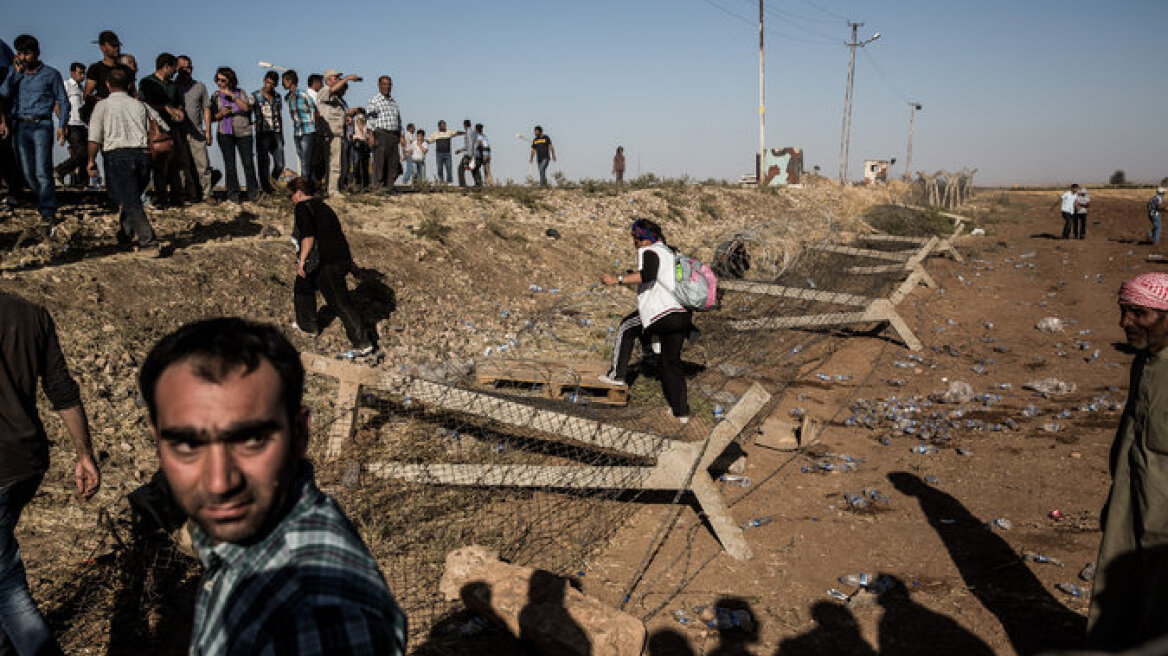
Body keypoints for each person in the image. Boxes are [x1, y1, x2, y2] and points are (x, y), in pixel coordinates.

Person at [138, 317, 405, 654]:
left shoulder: (312, 618)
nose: (219, 482)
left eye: (251, 440)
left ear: (300, 434)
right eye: (188, 444)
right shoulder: (247, 544)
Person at [0, 292, 101, 656]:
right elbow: (60, 388)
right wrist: (84, 454)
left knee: (6, 586)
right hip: (26, 463)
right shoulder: (31, 314)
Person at [1086, 272, 1168, 649]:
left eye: (1139, 313)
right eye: (1123, 311)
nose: (1125, 322)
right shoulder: (1145, 362)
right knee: (1122, 594)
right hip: (1130, 499)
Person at [599, 218, 693, 423]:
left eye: (635, 238)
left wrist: (617, 280)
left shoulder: (648, 251)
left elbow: (648, 274)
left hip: (661, 312)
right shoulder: (670, 252)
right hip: (681, 313)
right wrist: (634, 275)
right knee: (672, 363)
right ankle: (681, 412)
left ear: (641, 238)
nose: (634, 242)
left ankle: (617, 376)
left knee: (626, 327)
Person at [287, 177, 376, 355]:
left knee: (339, 302)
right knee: (303, 285)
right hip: (338, 258)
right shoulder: (324, 207)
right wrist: (350, 263)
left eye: (290, 195)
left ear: (299, 193)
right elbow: (337, 235)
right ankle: (307, 325)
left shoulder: (303, 207)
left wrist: (302, 261)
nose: (290, 199)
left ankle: (362, 343)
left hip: (327, 262)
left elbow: (308, 237)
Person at [87, 68, 166, 256]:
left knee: (127, 199)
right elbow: (162, 126)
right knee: (131, 197)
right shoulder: (140, 105)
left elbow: (94, 137)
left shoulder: (102, 106)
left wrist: (91, 160)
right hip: (143, 155)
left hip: (118, 156)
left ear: (107, 85)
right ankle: (125, 236)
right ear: (129, 85)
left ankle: (148, 241)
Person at [0, 35, 68, 231]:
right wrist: (15, 74)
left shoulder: (50, 74)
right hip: (20, 125)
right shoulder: (16, 73)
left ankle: (47, 210)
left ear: (36, 53)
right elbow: (3, 93)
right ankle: (43, 197)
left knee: (42, 170)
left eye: (27, 53)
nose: (23, 57)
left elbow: (63, 100)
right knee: (27, 171)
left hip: (41, 125)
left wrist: (62, 124)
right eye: (20, 53)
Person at [138, 53, 186, 207]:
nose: (176, 71)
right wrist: (166, 109)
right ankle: (161, 198)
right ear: (166, 66)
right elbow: (144, 103)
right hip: (155, 129)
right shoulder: (147, 82)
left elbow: (177, 104)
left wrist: (178, 112)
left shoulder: (173, 86)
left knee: (175, 165)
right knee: (158, 164)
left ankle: (176, 198)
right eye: (174, 68)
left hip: (173, 129)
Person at [211, 67, 258, 204]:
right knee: (230, 165)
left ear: (230, 80)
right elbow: (212, 117)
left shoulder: (240, 93)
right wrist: (221, 114)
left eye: (223, 80)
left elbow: (246, 108)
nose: (220, 83)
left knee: (248, 163)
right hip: (225, 133)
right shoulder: (215, 96)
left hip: (243, 132)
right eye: (218, 80)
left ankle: (253, 194)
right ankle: (233, 195)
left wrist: (233, 96)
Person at [175, 55, 212, 203]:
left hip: (197, 132)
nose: (187, 70)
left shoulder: (200, 86)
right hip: (179, 133)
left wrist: (208, 131)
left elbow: (206, 108)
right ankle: (189, 195)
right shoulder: (172, 87)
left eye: (189, 67)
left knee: (203, 164)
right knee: (183, 167)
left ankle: (207, 194)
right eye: (183, 67)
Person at [316, 69, 358, 198]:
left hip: (339, 134)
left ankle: (337, 188)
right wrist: (347, 78)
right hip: (331, 134)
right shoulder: (324, 91)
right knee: (334, 163)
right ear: (327, 79)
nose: (338, 80)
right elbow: (332, 90)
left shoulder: (337, 99)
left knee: (340, 163)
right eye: (336, 78)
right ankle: (333, 191)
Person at [53, 62, 88, 187]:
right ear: (72, 73)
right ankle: (59, 170)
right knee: (81, 152)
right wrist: (63, 124)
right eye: (80, 73)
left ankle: (81, 182)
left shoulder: (82, 89)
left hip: (83, 125)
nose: (82, 76)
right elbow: (57, 105)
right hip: (71, 124)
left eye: (84, 73)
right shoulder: (66, 85)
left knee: (86, 154)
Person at [366, 75, 403, 192]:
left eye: (389, 84)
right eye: (384, 84)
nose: (387, 87)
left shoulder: (393, 102)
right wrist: (371, 135)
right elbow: (370, 119)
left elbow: (398, 120)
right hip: (380, 134)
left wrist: (401, 135)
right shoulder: (375, 100)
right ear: (379, 86)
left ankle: (389, 186)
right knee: (380, 161)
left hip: (393, 135)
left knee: (393, 163)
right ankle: (378, 186)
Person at [252, 71, 284, 194]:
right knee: (263, 162)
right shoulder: (255, 96)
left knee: (280, 163)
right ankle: (266, 188)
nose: (269, 86)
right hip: (262, 133)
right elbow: (248, 112)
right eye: (268, 82)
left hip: (276, 132)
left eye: (272, 84)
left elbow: (279, 116)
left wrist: (281, 135)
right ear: (264, 80)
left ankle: (272, 182)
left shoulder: (278, 97)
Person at [282, 70, 316, 181]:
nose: (283, 84)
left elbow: (314, 110)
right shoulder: (288, 98)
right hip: (297, 131)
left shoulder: (303, 95)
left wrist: (316, 127)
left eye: (284, 81)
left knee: (306, 160)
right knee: (303, 159)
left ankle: (306, 183)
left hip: (308, 130)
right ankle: (311, 182)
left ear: (290, 81)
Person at [426, 119, 461, 184]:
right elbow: (429, 140)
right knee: (439, 168)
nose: (444, 126)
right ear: (439, 126)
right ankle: (441, 181)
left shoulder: (449, 132)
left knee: (449, 168)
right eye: (442, 125)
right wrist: (422, 141)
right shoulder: (435, 134)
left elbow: (456, 133)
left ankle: (449, 181)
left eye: (445, 125)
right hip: (439, 154)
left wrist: (465, 133)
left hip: (447, 153)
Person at [349, 109, 372, 190]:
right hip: (357, 143)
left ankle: (365, 185)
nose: (360, 116)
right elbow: (350, 133)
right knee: (356, 164)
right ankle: (357, 183)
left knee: (365, 165)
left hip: (365, 144)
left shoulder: (368, 123)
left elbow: (369, 133)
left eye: (362, 114)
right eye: (359, 114)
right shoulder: (353, 122)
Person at [455, 119, 479, 188]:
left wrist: (470, 155)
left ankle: (462, 184)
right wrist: (460, 150)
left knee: (461, 169)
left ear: (464, 125)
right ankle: (478, 183)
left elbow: (470, 144)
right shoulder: (473, 132)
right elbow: (470, 145)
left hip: (469, 154)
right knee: (474, 168)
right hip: (473, 153)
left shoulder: (468, 133)